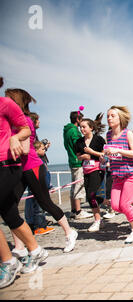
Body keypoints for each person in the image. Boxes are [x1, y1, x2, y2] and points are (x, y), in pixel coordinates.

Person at [5, 88, 78, 254]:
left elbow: (24, 150)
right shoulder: (9, 122)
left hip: (32, 166)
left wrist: (9, 141)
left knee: (45, 202)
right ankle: (19, 245)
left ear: (17, 102)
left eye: (9, 99)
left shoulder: (24, 121)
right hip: (17, 169)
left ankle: (69, 232)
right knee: (10, 207)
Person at [0, 78, 47, 289]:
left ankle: (8, 262)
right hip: (19, 166)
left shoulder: (6, 105)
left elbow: (25, 131)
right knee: (9, 213)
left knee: (45, 203)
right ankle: (35, 251)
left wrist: (14, 138)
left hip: (10, 163)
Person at [103, 106, 133, 243]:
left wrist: (118, 150)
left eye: (112, 116)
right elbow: (111, 153)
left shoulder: (128, 134)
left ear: (120, 118)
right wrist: (105, 157)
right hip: (116, 175)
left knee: (125, 204)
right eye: (108, 116)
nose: (109, 118)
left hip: (130, 174)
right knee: (115, 205)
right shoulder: (108, 135)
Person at [75, 114, 106, 232]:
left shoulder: (98, 139)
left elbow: (104, 155)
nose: (82, 129)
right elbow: (78, 157)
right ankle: (108, 203)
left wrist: (92, 152)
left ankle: (97, 221)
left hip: (98, 169)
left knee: (91, 195)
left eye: (84, 127)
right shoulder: (79, 142)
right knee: (92, 197)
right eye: (81, 127)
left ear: (91, 128)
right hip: (86, 170)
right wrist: (83, 156)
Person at [63, 111, 92, 220]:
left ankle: (73, 210)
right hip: (78, 161)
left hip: (72, 160)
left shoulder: (67, 130)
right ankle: (78, 211)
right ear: (78, 120)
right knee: (79, 186)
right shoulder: (74, 131)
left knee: (74, 186)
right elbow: (79, 145)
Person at [24, 140, 55, 235]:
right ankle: (40, 227)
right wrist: (48, 186)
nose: (45, 150)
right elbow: (43, 176)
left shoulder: (37, 160)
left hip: (38, 187)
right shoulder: (37, 162)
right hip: (39, 188)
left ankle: (33, 223)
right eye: (42, 149)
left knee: (35, 207)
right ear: (36, 150)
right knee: (39, 208)